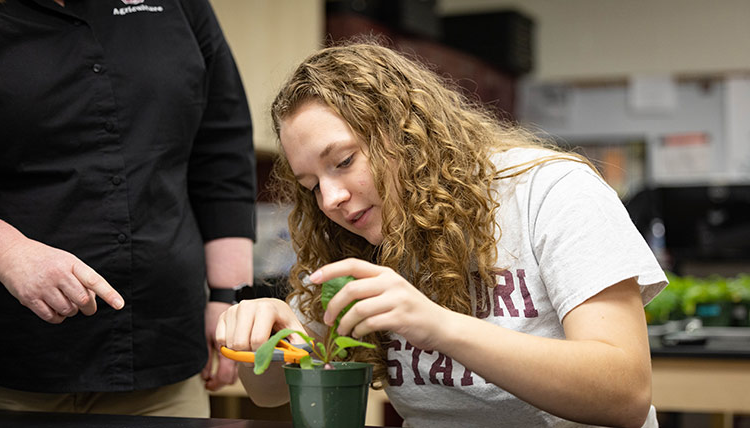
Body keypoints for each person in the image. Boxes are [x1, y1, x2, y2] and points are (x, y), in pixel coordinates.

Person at [216, 41, 667, 428]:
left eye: (344, 161)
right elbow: (268, 393)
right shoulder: (355, 238)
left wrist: (439, 326)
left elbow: (625, 393)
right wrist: (270, 334)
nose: (330, 198)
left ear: (406, 134)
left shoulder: (548, 191)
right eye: (312, 185)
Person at [0, 0, 256, 417]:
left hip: (164, 353)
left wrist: (229, 298)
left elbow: (221, 150)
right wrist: (5, 252)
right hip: (14, 365)